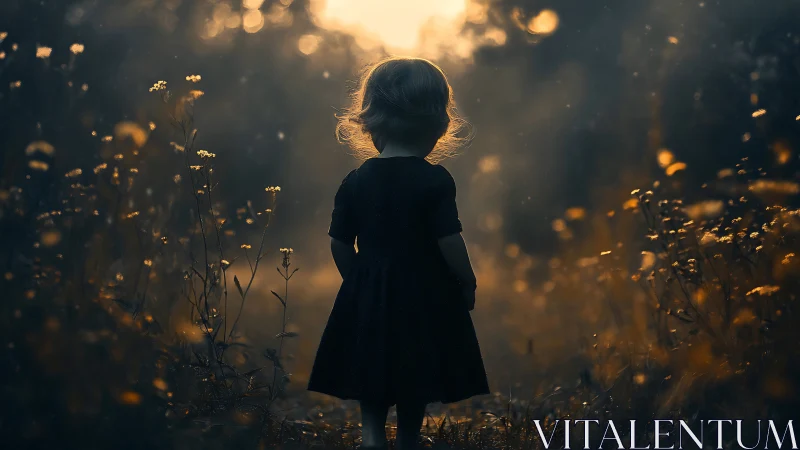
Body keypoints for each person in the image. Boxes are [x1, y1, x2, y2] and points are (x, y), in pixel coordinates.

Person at [307, 56, 489, 450]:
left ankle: (371, 436)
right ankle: (407, 436)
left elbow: (339, 241)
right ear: (437, 126)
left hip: (370, 289)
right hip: (425, 293)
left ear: (371, 122)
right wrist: (467, 278)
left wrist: (358, 279)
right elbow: (449, 238)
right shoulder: (435, 180)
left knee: (371, 368)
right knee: (416, 368)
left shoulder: (356, 181)